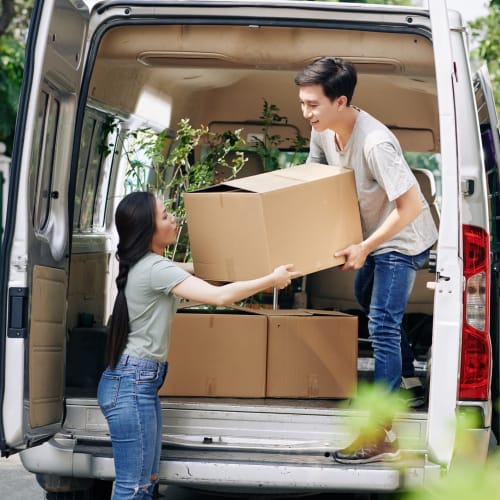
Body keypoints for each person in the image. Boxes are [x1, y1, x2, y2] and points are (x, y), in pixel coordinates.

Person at [97, 191, 300, 499]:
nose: (173, 218)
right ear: (147, 230)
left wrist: (253, 263)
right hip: (132, 384)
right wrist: (271, 279)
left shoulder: (151, 264)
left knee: (146, 481)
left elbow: (200, 269)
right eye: (165, 216)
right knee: (133, 488)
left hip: (135, 382)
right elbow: (220, 297)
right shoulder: (155, 269)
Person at [294, 57, 438, 464]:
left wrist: (364, 246)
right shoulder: (322, 131)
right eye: (302, 103)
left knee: (381, 323)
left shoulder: (376, 143)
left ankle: (382, 432)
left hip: (402, 238)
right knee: (367, 296)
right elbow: (316, 167)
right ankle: (409, 380)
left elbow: (409, 206)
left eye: (313, 105)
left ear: (340, 102)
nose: (306, 113)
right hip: (373, 237)